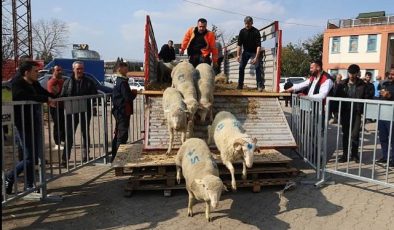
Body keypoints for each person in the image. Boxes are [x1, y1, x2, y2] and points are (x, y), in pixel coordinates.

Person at [5, 61, 54, 194]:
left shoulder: (34, 83)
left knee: (32, 156)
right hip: (21, 125)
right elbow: (24, 96)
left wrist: (55, 97)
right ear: (26, 72)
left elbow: (42, 92)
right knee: (29, 158)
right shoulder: (17, 83)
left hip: (33, 123)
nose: (38, 74)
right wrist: (45, 99)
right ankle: (9, 177)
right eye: (35, 71)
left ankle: (29, 185)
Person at [60, 61, 98, 166]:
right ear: (73, 69)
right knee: (69, 135)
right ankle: (65, 159)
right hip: (71, 112)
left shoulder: (89, 82)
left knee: (85, 133)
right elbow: (62, 95)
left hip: (85, 111)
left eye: (81, 68)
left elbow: (94, 96)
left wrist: (92, 103)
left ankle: (86, 156)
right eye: (78, 69)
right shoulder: (67, 82)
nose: (80, 71)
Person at [334, 64, 367, 163]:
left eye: (353, 73)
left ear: (357, 73)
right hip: (345, 112)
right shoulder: (342, 84)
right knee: (345, 134)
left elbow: (366, 97)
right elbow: (336, 97)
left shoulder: (362, 84)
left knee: (355, 134)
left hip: (356, 113)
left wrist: (364, 113)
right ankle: (345, 155)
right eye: (350, 73)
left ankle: (354, 154)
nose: (351, 75)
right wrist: (336, 113)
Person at [111, 62, 138, 162]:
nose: (127, 70)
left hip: (120, 111)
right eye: (125, 68)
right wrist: (134, 94)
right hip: (122, 111)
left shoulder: (118, 80)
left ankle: (115, 156)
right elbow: (127, 97)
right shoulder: (122, 82)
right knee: (122, 135)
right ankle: (118, 158)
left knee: (119, 133)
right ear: (119, 69)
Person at [236, 16, 264, 92]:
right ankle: (240, 85)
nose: (247, 25)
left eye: (248, 23)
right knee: (241, 67)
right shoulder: (242, 31)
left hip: (254, 52)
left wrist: (256, 57)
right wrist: (238, 55)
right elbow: (239, 45)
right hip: (246, 52)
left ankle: (259, 85)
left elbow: (258, 46)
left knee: (257, 67)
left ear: (252, 23)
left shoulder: (256, 32)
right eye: (245, 23)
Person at [376, 68, 394, 167]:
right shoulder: (386, 84)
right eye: (390, 74)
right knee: (383, 137)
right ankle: (385, 156)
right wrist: (381, 94)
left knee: (393, 138)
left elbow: (390, 96)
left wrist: (390, 96)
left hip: (392, 116)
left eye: (393, 75)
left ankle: (393, 158)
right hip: (382, 114)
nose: (391, 76)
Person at [47, 65, 65, 149]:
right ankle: (57, 143)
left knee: (62, 123)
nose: (60, 71)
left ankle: (62, 140)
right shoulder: (52, 82)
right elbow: (54, 94)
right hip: (54, 106)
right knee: (57, 124)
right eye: (58, 70)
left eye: (60, 70)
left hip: (61, 106)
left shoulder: (61, 81)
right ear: (53, 71)